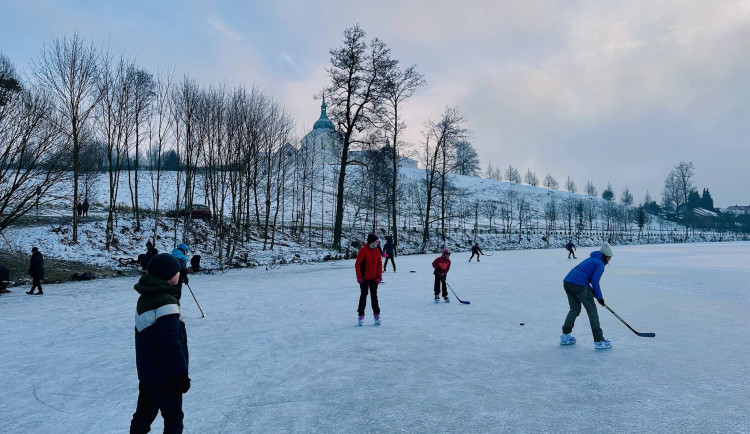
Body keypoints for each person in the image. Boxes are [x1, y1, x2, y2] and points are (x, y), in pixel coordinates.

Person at [130, 253, 190, 433]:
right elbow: (171, 342)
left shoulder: (146, 297)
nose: (179, 275)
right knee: (173, 418)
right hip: (167, 375)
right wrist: (180, 374)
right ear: (167, 276)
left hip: (148, 373)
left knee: (144, 415)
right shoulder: (166, 304)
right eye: (177, 272)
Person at [560, 243, 613, 349]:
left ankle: (565, 336)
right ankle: (599, 340)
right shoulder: (600, 264)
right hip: (579, 285)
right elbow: (594, 281)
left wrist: (592, 291)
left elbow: (583, 276)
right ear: (606, 256)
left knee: (574, 309)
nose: (609, 260)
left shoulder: (591, 259)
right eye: (609, 258)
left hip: (567, 282)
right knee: (592, 310)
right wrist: (600, 297)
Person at [355, 234, 383, 326]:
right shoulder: (363, 250)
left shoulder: (377, 250)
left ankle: (376, 315)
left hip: (374, 279)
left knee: (374, 297)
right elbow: (358, 264)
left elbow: (379, 263)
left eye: (378, 241)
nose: (378, 243)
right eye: (376, 241)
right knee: (363, 296)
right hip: (364, 279)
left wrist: (379, 276)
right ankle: (361, 315)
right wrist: (359, 276)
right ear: (372, 242)